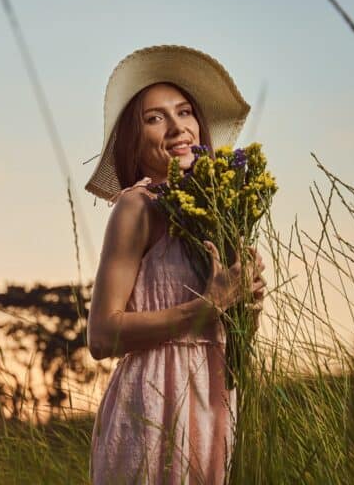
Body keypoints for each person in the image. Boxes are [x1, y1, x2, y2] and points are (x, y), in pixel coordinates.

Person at [84, 45, 267, 484]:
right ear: (134, 137)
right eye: (155, 118)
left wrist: (245, 306)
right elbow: (102, 335)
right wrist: (204, 307)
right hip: (153, 397)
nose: (177, 127)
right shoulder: (137, 206)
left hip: (215, 394)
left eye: (184, 112)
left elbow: (228, 331)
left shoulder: (222, 210)